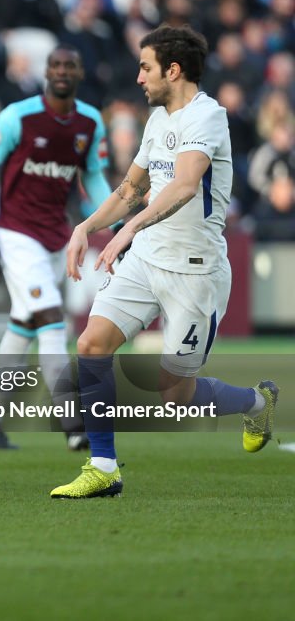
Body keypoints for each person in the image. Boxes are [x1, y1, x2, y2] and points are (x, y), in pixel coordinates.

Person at [54, 25, 279, 499]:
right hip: (146, 259)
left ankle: (257, 402)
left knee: (174, 394)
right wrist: (86, 228)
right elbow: (132, 189)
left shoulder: (208, 117)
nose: (138, 78)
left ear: (172, 71)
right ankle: (103, 467)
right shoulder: (157, 121)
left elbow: (182, 185)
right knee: (92, 344)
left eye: (146, 67)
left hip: (194, 271)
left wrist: (130, 228)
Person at [0, 45, 113, 451]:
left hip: (56, 237)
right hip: (16, 234)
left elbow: (94, 176)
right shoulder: (18, 116)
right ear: (45, 72)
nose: (62, 71)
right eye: (56, 65)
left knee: (25, 323)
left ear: (80, 72)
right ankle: (72, 421)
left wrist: (115, 221)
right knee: (52, 318)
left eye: (70, 65)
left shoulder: (90, 122)